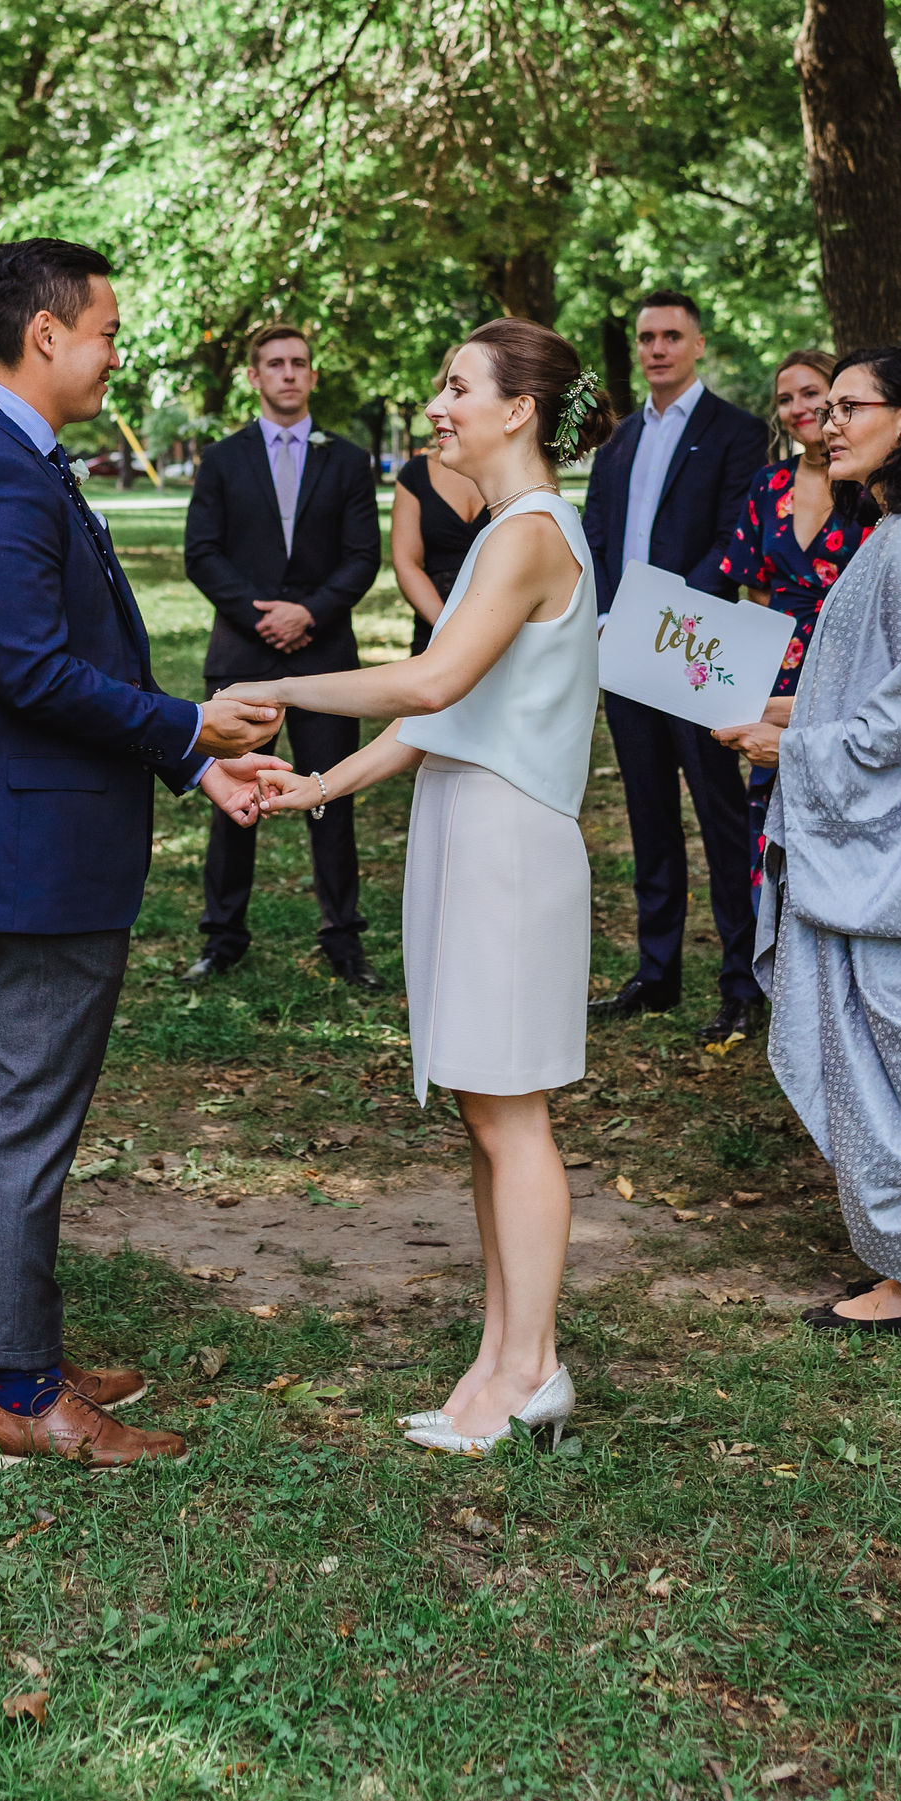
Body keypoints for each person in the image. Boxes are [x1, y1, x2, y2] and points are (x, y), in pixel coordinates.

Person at [0, 237, 284, 1466]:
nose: (118, 352)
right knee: (22, 1110)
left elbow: (76, 651)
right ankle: (20, 1390)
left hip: (43, 828)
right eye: (109, 331)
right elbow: (29, 670)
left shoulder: (10, 457)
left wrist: (189, 759)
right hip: (38, 841)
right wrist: (187, 722)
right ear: (48, 336)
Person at [248, 320, 611, 1450]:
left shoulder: (534, 531)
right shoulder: (505, 531)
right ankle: (501, 1354)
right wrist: (320, 789)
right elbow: (438, 715)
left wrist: (278, 684)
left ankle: (529, 1367)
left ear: (520, 411)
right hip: (466, 822)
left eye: (457, 386)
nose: (437, 405)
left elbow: (431, 673)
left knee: (513, 1114)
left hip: (508, 841)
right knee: (480, 1107)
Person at [719, 348, 901, 1336]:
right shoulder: (898, 535)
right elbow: (868, 695)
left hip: (895, 854)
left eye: (848, 406)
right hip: (879, 838)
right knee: (887, 1056)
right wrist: (778, 708)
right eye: (821, 407)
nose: (826, 423)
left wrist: (785, 743)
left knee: (894, 1056)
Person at [580, 289, 766, 1031]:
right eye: (647, 337)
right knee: (648, 815)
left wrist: (663, 613)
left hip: (693, 649)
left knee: (721, 818)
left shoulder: (737, 431)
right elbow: (597, 528)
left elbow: (731, 540)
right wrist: (601, 609)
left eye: (671, 336)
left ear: (697, 345)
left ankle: (743, 983)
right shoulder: (620, 438)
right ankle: (656, 974)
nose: (657, 348)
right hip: (621, 649)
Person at [181, 323, 384, 988]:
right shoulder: (222, 458)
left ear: (313, 376)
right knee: (234, 794)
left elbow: (362, 556)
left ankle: (342, 937)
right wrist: (260, 616)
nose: (289, 373)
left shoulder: (349, 460)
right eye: (275, 363)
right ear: (254, 376)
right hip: (243, 651)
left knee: (329, 795)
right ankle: (222, 935)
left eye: (299, 363)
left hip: (326, 655)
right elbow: (202, 551)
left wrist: (312, 612)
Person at [701, 347, 868, 898]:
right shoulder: (768, 484)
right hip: (780, 672)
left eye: (810, 393)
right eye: (785, 399)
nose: (797, 407)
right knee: (775, 827)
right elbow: (754, 589)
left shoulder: (873, 485)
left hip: (855, 666)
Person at [391, 432, 486, 648]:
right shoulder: (415, 473)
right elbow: (406, 563)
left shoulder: (511, 471)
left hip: (505, 621)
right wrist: (447, 629)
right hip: (435, 623)